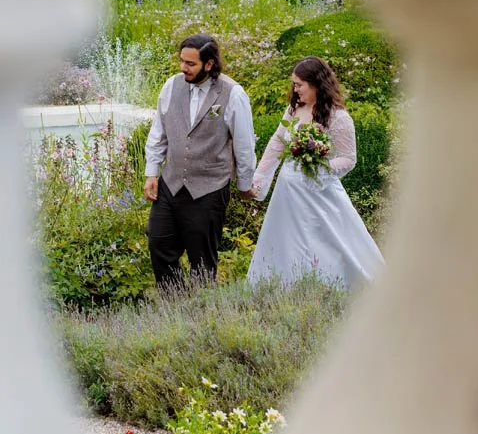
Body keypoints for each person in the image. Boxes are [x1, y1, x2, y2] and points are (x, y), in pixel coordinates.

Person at [248, 56, 384, 289]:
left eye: (299, 84)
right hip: (287, 193)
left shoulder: (338, 117)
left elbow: (348, 158)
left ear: (316, 84)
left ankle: (327, 287)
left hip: (319, 192)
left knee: (325, 241)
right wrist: (259, 179)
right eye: (294, 84)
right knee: (286, 240)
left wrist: (320, 168)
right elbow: (277, 142)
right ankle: (283, 288)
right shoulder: (294, 109)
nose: (295, 89)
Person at [143, 34, 257, 290]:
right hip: (171, 185)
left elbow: (244, 144)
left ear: (209, 64)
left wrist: (244, 184)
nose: (183, 67)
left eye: (190, 63)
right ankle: (175, 303)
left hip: (209, 189)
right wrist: (151, 173)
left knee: (202, 261)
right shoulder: (171, 86)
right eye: (182, 61)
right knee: (159, 243)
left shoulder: (233, 93)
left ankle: (201, 308)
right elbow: (158, 132)